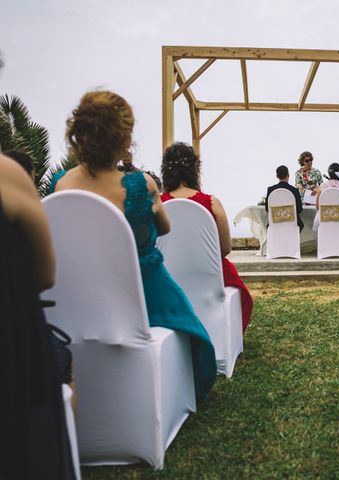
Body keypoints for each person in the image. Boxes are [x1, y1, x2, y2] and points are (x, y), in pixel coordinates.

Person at [50, 91, 216, 400]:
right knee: (198, 338)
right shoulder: (141, 184)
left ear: (79, 135)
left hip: (78, 301)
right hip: (143, 295)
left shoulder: (60, 184)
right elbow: (164, 228)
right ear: (125, 139)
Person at [0, 154, 75, 479]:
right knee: (61, 357)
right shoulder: (7, 175)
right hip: (14, 361)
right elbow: (45, 276)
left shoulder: (60, 186)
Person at [161, 142, 254, 333]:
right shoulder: (212, 203)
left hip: (168, 277)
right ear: (195, 168)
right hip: (209, 276)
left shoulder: (158, 205)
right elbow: (225, 248)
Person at [265, 164, 304, 231]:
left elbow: (267, 209)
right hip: (292, 226)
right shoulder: (294, 190)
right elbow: (299, 209)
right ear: (288, 175)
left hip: (275, 225)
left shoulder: (270, 190)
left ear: (277, 176)